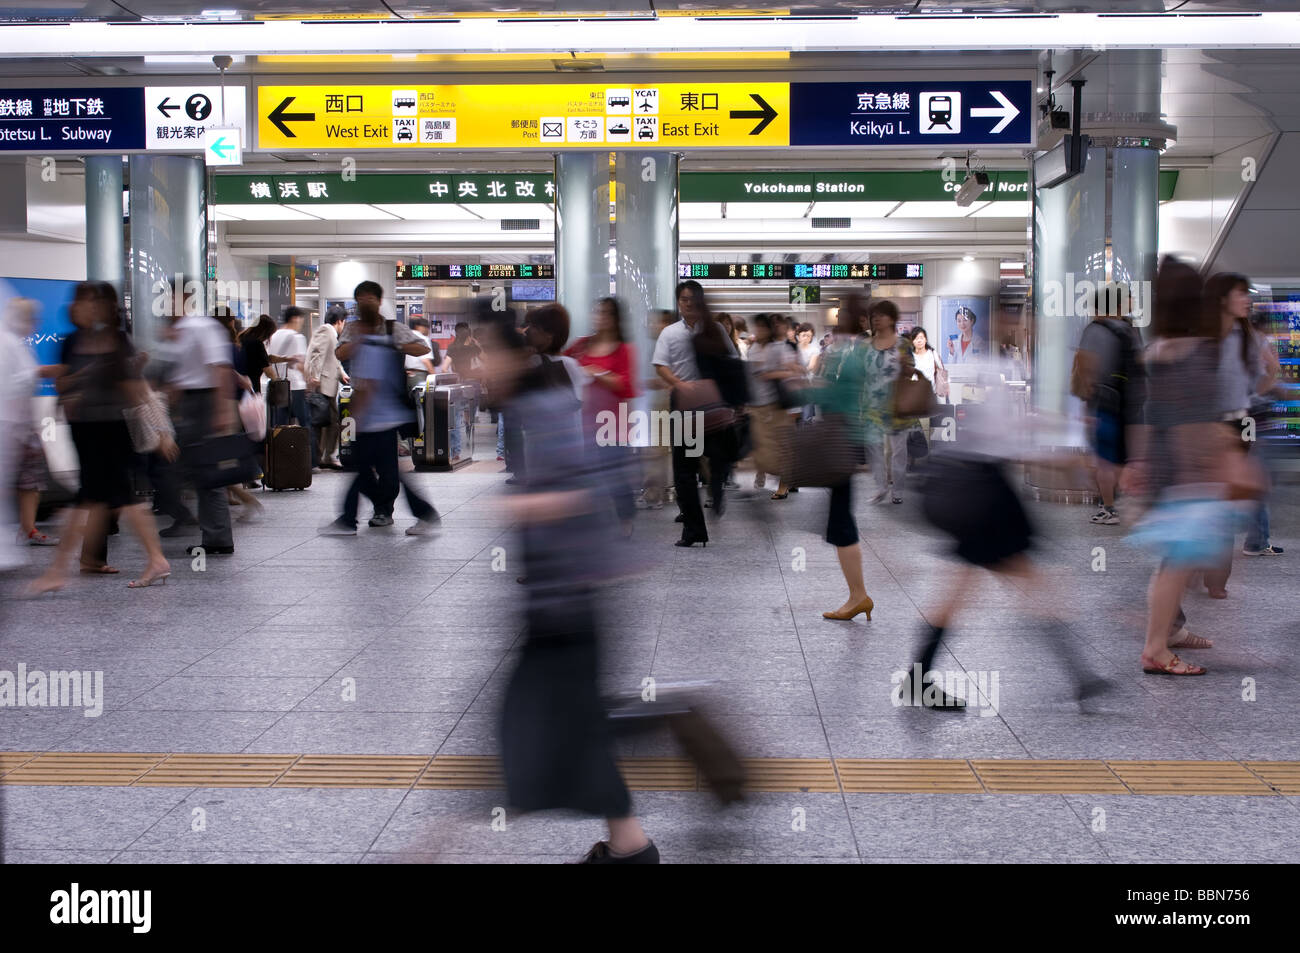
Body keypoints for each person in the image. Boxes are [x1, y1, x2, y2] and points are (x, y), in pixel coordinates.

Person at [478, 308, 658, 864]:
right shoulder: (537, 402)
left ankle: (436, 839)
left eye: (482, 354)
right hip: (559, 601)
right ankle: (629, 844)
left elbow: (584, 486)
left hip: (566, 604)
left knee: (536, 723)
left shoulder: (547, 404)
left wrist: (522, 503)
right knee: (572, 723)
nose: (477, 366)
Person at [1123, 258, 1248, 676]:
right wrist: (1219, 467)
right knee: (1178, 563)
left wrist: (1139, 462)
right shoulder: (1202, 352)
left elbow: (1149, 414)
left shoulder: (1153, 353)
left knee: (1174, 562)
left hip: (1164, 470)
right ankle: (1156, 647)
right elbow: (1200, 421)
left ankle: (1166, 633)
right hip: (1189, 473)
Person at [28, 282, 170, 593]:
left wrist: (160, 430)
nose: (81, 306)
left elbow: (135, 389)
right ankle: (147, 560)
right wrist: (79, 379)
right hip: (84, 429)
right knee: (103, 501)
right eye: (80, 301)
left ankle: (59, 571)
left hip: (112, 429)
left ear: (104, 306)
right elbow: (64, 385)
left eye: (89, 301)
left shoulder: (117, 340)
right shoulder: (72, 341)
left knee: (95, 500)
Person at [323, 280, 439, 536]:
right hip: (369, 415)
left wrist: (393, 343)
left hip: (383, 415)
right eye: (360, 300)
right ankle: (381, 512)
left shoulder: (390, 329)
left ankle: (374, 514)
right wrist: (360, 341)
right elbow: (340, 354)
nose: (365, 304)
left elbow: (421, 348)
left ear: (379, 300)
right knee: (369, 468)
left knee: (372, 469)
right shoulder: (354, 330)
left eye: (369, 299)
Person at [653, 280, 732, 547]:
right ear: (679, 302)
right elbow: (660, 365)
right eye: (683, 299)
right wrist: (679, 384)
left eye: (692, 298)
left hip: (713, 404)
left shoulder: (716, 330)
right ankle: (694, 529)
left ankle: (718, 484)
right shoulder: (670, 333)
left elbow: (731, 362)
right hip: (684, 404)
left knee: (716, 457)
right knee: (684, 470)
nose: (688, 303)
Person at [818, 295, 874, 621]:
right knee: (841, 518)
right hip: (844, 437)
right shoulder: (851, 350)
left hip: (845, 437)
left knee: (841, 520)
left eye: (844, 312)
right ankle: (858, 595)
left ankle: (858, 595)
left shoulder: (855, 353)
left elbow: (836, 394)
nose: (839, 317)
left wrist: (799, 389)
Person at [565, 297, 638, 535]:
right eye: (597, 312)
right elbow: (563, 364)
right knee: (587, 474)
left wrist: (596, 372)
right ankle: (592, 524)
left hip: (613, 423)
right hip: (584, 421)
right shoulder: (581, 345)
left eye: (606, 313)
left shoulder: (624, 349)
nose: (600, 317)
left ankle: (625, 518)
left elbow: (625, 386)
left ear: (616, 318)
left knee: (615, 477)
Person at [1074, 288, 1146, 526]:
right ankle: (1131, 498)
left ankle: (1109, 508)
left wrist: (1086, 403)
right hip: (1132, 403)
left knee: (1105, 460)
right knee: (1125, 455)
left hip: (1104, 402)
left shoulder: (1094, 330)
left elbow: (1085, 367)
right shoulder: (1131, 330)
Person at [4, 300, 59, 547]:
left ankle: (27, 529)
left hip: (20, 426)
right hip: (9, 425)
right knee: (23, 481)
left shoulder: (19, 345)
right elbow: (14, 384)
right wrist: (41, 372)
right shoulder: (7, 343)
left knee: (30, 482)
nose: (34, 324)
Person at [861, 299, 919, 505]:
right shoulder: (865, 345)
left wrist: (905, 367)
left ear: (892, 319)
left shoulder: (903, 344)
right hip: (871, 405)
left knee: (898, 451)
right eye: (873, 316)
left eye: (881, 315)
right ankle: (880, 486)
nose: (876, 319)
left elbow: (912, 372)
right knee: (873, 447)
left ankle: (898, 489)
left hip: (897, 405)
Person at [1242, 307, 1284, 557]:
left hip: (1241, 415)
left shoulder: (1237, 340)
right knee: (1260, 478)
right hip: (1257, 417)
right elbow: (1273, 369)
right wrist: (1262, 392)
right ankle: (1256, 541)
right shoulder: (1259, 341)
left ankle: (1255, 538)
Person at [746, 313, 800, 499]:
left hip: (776, 405)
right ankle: (778, 473)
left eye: (763, 327)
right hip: (756, 405)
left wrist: (771, 374)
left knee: (782, 446)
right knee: (760, 447)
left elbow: (792, 371)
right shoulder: (752, 348)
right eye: (757, 327)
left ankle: (784, 484)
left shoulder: (777, 348)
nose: (759, 331)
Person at [267, 306, 317, 471]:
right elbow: (300, 364)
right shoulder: (297, 337)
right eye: (301, 320)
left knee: (280, 427)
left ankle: (280, 460)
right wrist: (308, 381)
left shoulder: (273, 336)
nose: (300, 324)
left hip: (279, 387)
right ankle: (310, 462)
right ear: (295, 318)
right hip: (295, 386)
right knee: (305, 425)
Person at [307, 306, 349, 470]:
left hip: (327, 384)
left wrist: (342, 374)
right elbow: (317, 354)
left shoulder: (331, 333)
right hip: (322, 385)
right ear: (339, 321)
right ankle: (323, 458)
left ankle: (325, 456)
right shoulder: (326, 331)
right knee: (324, 423)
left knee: (328, 423)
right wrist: (315, 376)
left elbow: (334, 359)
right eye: (343, 322)